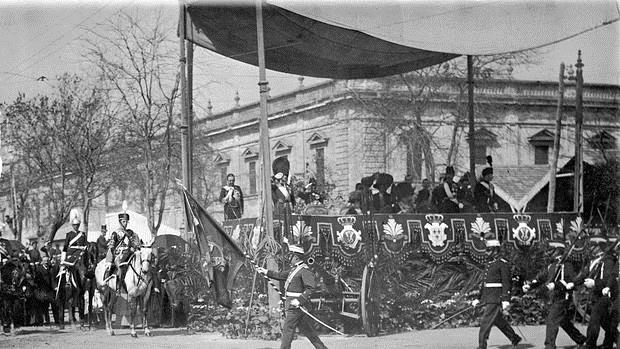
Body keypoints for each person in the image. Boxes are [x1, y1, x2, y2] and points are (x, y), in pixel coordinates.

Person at [256, 244, 328, 349]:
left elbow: (311, 288)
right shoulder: (294, 270)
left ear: (296, 257)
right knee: (308, 331)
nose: (289, 258)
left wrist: (299, 301)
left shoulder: (304, 270)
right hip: (292, 304)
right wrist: (265, 271)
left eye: (291, 256)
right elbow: (280, 276)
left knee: (287, 328)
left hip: (297, 306)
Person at [522, 240, 586, 349]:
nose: (548, 252)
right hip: (553, 297)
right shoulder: (552, 265)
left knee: (552, 320)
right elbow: (540, 278)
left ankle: (549, 346)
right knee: (563, 321)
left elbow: (571, 281)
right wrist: (530, 285)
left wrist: (556, 285)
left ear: (557, 251)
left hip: (562, 297)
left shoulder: (567, 265)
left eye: (551, 250)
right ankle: (581, 339)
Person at [471, 239, 521, 349]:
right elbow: (484, 283)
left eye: (488, 250)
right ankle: (514, 338)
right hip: (489, 297)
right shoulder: (489, 264)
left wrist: (505, 299)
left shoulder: (502, 263)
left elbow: (506, 282)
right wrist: (478, 298)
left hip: (496, 298)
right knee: (498, 321)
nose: (486, 252)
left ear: (495, 251)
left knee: (485, 322)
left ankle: (482, 345)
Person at [576, 237, 618, 349]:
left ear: (599, 246)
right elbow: (584, 276)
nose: (590, 248)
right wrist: (572, 283)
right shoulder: (594, 261)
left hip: (605, 295)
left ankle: (590, 344)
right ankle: (614, 341)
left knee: (594, 318)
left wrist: (595, 283)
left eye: (592, 246)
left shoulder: (608, 261)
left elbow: (608, 280)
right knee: (605, 321)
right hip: (596, 295)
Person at [104, 212, 142, 292]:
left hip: (129, 254)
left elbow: (135, 243)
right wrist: (116, 252)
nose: (125, 224)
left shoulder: (130, 233)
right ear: (120, 222)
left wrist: (134, 247)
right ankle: (118, 288)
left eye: (126, 222)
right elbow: (111, 246)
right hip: (118, 255)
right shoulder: (115, 233)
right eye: (124, 221)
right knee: (120, 269)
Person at [61, 216, 89, 291]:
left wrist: (86, 247)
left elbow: (86, 243)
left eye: (77, 225)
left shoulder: (82, 234)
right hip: (72, 253)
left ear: (79, 225)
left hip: (80, 252)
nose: (76, 226)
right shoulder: (69, 234)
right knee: (69, 266)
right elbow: (65, 246)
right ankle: (68, 281)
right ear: (72, 226)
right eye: (74, 225)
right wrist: (63, 257)